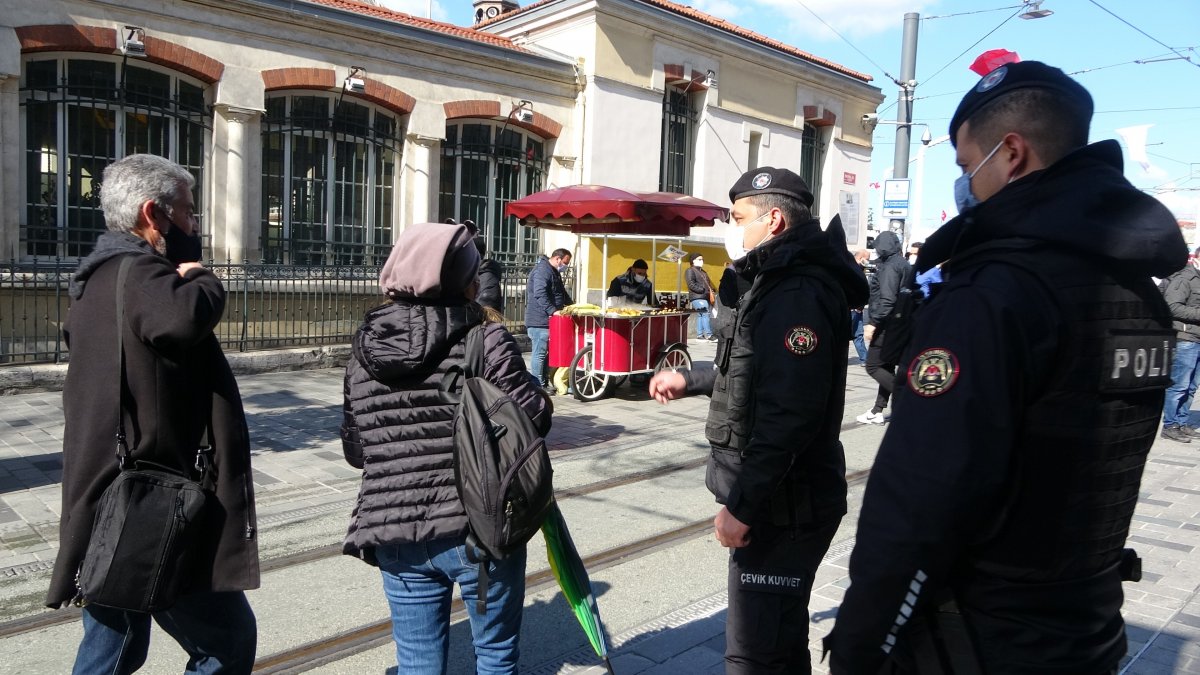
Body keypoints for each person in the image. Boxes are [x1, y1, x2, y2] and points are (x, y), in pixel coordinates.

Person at [825, 61, 1186, 674]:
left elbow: (922, 496)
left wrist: (863, 642)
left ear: (1011, 152)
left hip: (978, 637)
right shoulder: (1136, 292)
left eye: (967, 166)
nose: (966, 183)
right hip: (1085, 623)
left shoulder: (992, 294)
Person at [648, 167, 868, 673]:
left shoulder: (796, 293)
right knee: (775, 643)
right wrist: (694, 377)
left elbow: (790, 412)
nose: (732, 227)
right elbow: (752, 366)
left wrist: (743, 507)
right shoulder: (772, 281)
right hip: (782, 500)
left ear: (773, 220)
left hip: (784, 505)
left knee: (755, 655)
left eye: (738, 217)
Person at [49, 154, 259, 674]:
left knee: (111, 648)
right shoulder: (140, 272)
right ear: (153, 213)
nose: (194, 227)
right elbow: (182, 320)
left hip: (108, 495)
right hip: (147, 503)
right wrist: (205, 280)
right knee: (227, 641)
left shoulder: (96, 279)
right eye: (187, 214)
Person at [341, 221, 552, 674]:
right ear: (464, 278)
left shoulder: (365, 348)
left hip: (393, 528)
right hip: (478, 524)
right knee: (495, 656)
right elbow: (535, 417)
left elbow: (356, 450)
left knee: (417, 664)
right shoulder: (484, 336)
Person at [857, 230, 910, 424]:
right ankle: (878, 410)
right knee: (886, 366)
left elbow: (887, 299)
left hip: (885, 324)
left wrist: (873, 323)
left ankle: (905, 395)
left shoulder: (889, 268)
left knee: (873, 366)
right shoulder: (903, 263)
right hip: (899, 322)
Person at [1161, 248, 1200, 443]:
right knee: (1179, 385)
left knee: (1192, 386)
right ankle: (1170, 425)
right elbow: (1172, 305)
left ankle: (1183, 423)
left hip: (1198, 339)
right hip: (1186, 338)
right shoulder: (1185, 278)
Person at [524, 248, 572, 393]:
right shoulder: (542, 270)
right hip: (539, 321)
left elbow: (561, 293)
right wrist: (553, 310)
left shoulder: (553, 271)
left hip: (547, 320)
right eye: (565, 262)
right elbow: (540, 293)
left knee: (545, 353)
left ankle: (543, 382)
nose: (566, 266)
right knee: (539, 353)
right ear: (557, 258)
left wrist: (573, 306)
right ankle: (537, 385)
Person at [685, 253, 716, 341]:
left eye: (702, 259)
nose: (701, 261)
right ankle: (709, 335)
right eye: (699, 259)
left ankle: (699, 335)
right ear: (693, 261)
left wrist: (711, 290)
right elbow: (691, 284)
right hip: (697, 296)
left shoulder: (703, 272)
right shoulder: (690, 270)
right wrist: (702, 290)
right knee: (705, 313)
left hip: (704, 296)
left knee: (701, 315)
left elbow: (708, 283)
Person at [849, 249, 871, 364]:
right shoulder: (851, 269)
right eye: (867, 259)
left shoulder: (860, 269)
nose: (868, 261)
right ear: (861, 257)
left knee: (858, 335)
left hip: (858, 309)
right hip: (851, 309)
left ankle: (864, 359)